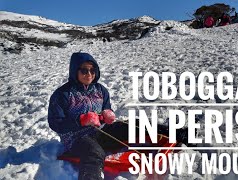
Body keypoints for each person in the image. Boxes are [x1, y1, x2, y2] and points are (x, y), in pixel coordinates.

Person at [48, 52, 189, 180]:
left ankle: (178, 134)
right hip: (76, 139)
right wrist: (81, 120)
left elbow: (105, 109)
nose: (89, 74)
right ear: (74, 71)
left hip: (101, 131)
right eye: (84, 70)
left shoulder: (100, 90)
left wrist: (106, 115)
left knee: (134, 125)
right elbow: (56, 123)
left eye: (92, 70)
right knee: (94, 152)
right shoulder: (62, 94)